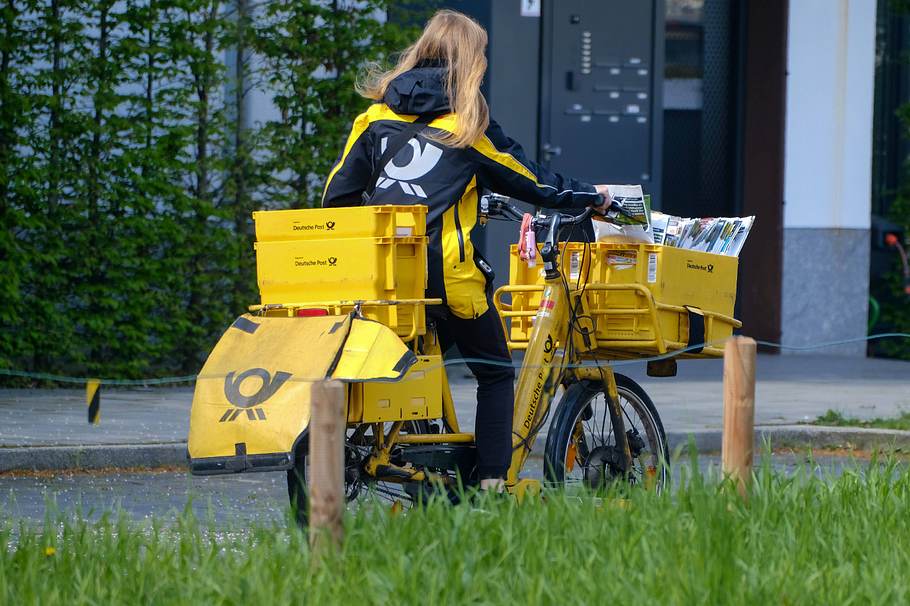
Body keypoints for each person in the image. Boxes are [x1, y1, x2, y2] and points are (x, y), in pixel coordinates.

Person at [322, 9, 611, 492]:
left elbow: (337, 196)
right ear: (469, 61)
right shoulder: (467, 124)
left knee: (427, 353)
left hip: (384, 281)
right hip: (447, 280)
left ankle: (434, 457)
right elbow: (534, 181)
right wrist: (592, 196)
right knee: (496, 371)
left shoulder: (373, 118)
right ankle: (493, 484)